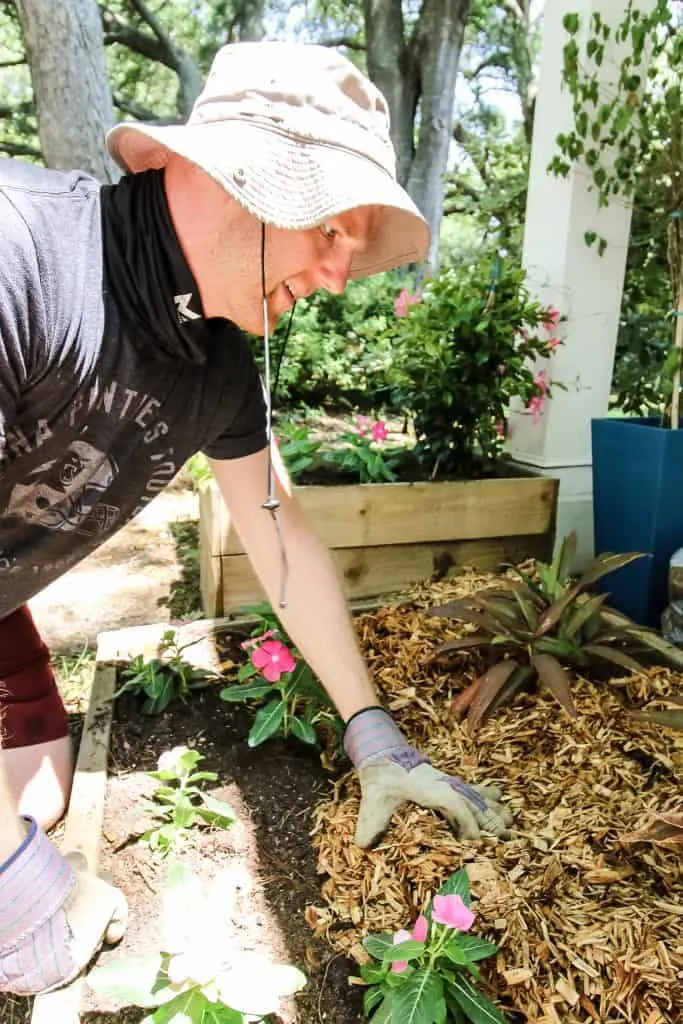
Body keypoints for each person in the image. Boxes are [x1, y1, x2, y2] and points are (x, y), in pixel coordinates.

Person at [0, 41, 512, 997]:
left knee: (43, 797)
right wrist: (22, 887)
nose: (334, 276)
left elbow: (282, 542)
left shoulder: (217, 366)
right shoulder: (20, 254)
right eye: (329, 231)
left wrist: (374, 736)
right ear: (232, 175)